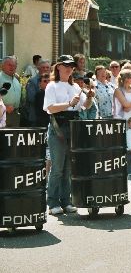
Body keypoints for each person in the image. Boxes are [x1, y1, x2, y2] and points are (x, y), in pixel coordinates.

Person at [43, 55, 94, 215]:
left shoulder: (76, 87)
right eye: (66, 65)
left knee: (68, 168)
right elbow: (50, 108)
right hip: (58, 127)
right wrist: (69, 104)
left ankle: (66, 201)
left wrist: (90, 97)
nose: (69, 68)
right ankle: (52, 202)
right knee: (57, 168)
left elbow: (84, 106)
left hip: (72, 127)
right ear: (58, 67)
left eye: (71, 66)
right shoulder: (52, 85)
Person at [114, 69, 131, 176]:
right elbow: (125, 105)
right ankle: (127, 173)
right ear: (126, 79)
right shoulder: (118, 90)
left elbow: (128, 106)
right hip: (122, 121)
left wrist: (130, 106)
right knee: (127, 147)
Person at [26, 59, 51, 126]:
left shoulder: (53, 81)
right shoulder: (32, 81)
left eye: (47, 67)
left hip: (49, 117)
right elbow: (31, 99)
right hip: (36, 117)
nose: (45, 69)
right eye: (43, 67)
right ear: (38, 68)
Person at [0, 56, 22, 127]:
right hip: (2, 114)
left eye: (14, 66)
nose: (12, 67)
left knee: (14, 137)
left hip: (15, 115)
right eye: (9, 65)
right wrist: (5, 107)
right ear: (2, 65)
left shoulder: (16, 80)